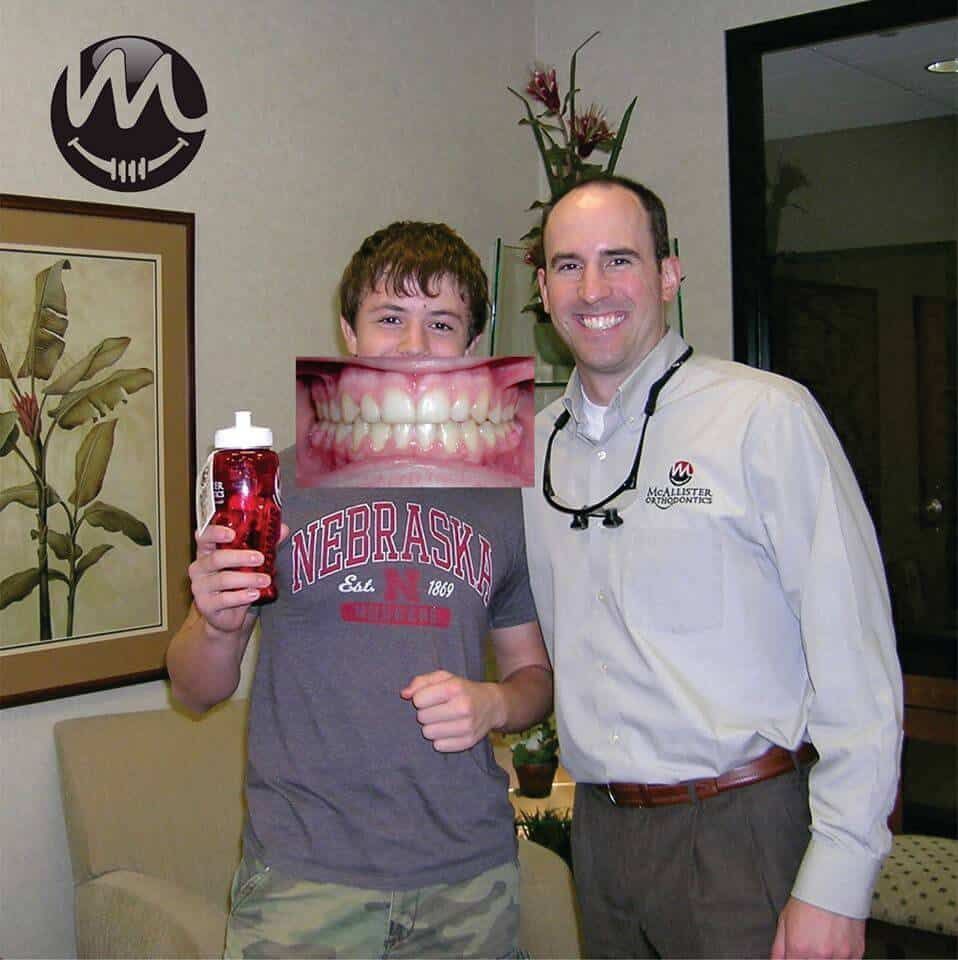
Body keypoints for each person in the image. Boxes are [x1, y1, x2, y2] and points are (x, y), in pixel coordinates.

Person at [521, 175, 902, 960]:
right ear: (542, 288)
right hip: (599, 838)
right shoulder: (528, 452)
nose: (593, 289)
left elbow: (856, 661)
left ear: (668, 272)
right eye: (567, 265)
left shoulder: (764, 418)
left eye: (619, 259)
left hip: (742, 833)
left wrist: (837, 880)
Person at [167, 220, 553, 959]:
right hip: (304, 881)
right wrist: (214, 625)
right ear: (348, 333)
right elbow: (195, 691)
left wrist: (495, 703)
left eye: (441, 324)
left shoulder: (504, 498)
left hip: (468, 878)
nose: (413, 346)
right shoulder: (263, 485)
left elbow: (534, 673)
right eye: (389, 318)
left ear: (471, 348)